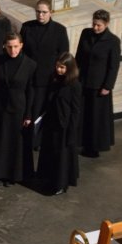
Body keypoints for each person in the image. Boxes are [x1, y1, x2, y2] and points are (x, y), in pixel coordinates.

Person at [0, 32, 37, 187]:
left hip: (19, 110)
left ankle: (15, 175)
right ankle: (0, 174)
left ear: (21, 45)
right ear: (4, 46)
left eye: (15, 46)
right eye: (9, 47)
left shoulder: (30, 64)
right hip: (0, 109)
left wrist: (29, 114)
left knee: (16, 143)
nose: (13, 50)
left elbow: (31, 91)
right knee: (1, 142)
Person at [20, 0, 70, 132]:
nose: (40, 15)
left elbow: (64, 55)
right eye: (38, 12)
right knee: (29, 108)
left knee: (43, 109)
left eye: (44, 12)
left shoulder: (59, 30)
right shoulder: (26, 27)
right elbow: (21, 51)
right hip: (30, 76)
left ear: (51, 12)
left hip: (48, 78)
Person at [76, 9, 121, 158]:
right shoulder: (85, 33)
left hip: (99, 86)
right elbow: (79, 57)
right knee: (83, 114)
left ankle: (93, 147)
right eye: (94, 24)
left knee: (96, 118)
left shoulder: (113, 41)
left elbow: (113, 66)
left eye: (99, 25)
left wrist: (108, 86)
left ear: (106, 24)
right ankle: (81, 142)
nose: (95, 28)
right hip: (84, 82)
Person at [37, 53, 82, 195]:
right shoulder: (55, 80)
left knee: (62, 156)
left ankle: (61, 184)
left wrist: (71, 130)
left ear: (69, 68)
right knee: (51, 153)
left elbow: (75, 110)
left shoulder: (74, 85)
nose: (58, 70)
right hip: (52, 122)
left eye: (62, 67)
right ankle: (49, 179)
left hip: (64, 125)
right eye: (57, 66)